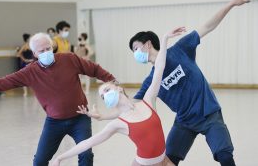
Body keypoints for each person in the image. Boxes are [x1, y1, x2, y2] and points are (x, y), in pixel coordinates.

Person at [128, 0, 254, 166]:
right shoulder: (151, 80)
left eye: (135, 48)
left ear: (148, 44)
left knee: (225, 156)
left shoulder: (180, 49)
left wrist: (232, 3)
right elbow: (134, 103)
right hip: (184, 122)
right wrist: (112, 100)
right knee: (168, 161)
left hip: (208, 113)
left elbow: (208, 26)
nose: (134, 53)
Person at [0, 33, 116, 166]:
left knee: (86, 154)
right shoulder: (30, 72)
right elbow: (3, 83)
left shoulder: (70, 59)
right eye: (42, 50)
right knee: (39, 161)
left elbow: (94, 69)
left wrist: (111, 81)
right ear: (34, 54)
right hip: (54, 122)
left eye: (49, 48)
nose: (47, 52)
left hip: (80, 117)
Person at [51, 27, 186, 166]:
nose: (105, 95)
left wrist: (164, 39)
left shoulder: (148, 100)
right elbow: (88, 143)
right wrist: (60, 157)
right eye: (103, 96)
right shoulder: (118, 123)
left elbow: (159, 68)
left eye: (107, 89)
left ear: (119, 88)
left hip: (164, 161)